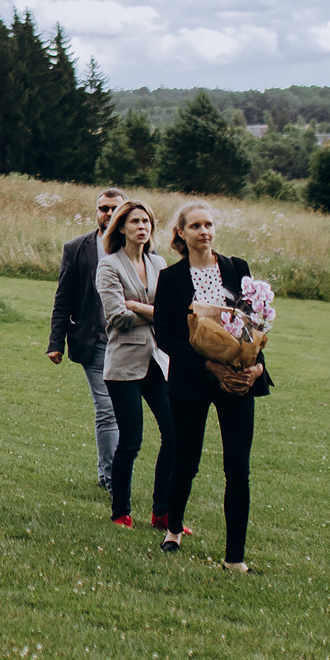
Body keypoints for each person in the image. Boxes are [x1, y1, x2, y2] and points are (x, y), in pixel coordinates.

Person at [151, 199, 272, 571]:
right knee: (186, 460)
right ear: (181, 234)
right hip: (191, 380)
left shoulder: (238, 269)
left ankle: (235, 558)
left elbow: (256, 325)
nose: (205, 231)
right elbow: (166, 336)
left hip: (238, 379)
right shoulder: (171, 279)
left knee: (238, 467)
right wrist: (207, 365)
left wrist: (256, 367)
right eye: (196, 226)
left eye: (209, 225)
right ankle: (173, 529)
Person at [96, 199, 173, 530]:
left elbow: (172, 316)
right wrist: (153, 312)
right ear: (122, 228)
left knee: (174, 435)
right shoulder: (109, 266)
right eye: (136, 221)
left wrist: (139, 307)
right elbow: (116, 317)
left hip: (158, 362)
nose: (143, 227)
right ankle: (121, 511)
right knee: (131, 440)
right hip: (124, 365)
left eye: (147, 222)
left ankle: (163, 512)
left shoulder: (160, 263)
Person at [48, 187, 127, 490]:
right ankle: (110, 478)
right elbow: (63, 297)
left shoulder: (139, 248)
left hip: (132, 343)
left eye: (114, 208)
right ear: (97, 211)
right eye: (103, 208)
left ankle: (117, 471)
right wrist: (55, 342)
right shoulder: (77, 248)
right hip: (95, 341)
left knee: (125, 412)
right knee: (107, 409)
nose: (108, 214)